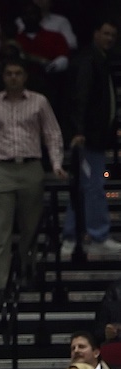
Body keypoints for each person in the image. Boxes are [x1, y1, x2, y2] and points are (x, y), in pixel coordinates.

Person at [0, 59, 66, 303]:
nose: (13, 77)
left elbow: (52, 133)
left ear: (25, 76)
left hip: (31, 166)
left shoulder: (39, 101)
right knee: (0, 231)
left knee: (30, 228)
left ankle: (26, 269)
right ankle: (3, 284)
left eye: (18, 73)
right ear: (3, 76)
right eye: (9, 73)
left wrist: (56, 164)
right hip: (1, 169)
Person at [61, 20, 121, 255]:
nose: (110, 38)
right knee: (92, 186)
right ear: (95, 33)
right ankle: (96, 233)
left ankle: (73, 234)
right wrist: (78, 131)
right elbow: (80, 97)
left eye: (113, 35)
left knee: (86, 186)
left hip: (95, 137)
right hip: (87, 137)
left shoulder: (100, 60)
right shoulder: (89, 61)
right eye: (106, 33)